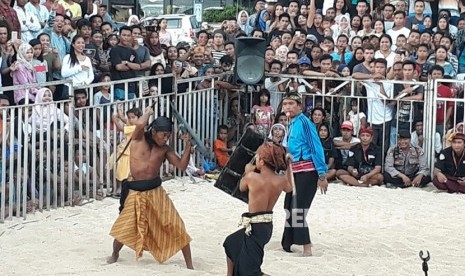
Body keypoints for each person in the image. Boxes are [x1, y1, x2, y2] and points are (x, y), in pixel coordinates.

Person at [107, 107, 194, 269]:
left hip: (156, 192)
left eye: (169, 135)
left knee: (175, 224)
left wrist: (188, 145)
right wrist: (147, 112)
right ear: (153, 131)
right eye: (163, 134)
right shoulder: (138, 138)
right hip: (135, 191)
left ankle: (190, 266)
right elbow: (140, 124)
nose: (166, 138)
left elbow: (181, 166)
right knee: (124, 227)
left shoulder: (165, 149)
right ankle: (115, 254)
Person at [223, 142, 293, 276]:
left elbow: (242, 187)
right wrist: (289, 167)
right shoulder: (281, 180)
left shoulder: (251, 177)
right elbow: (290, 188)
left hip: (254, 227)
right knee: (231, 242)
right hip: (266, 226)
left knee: (251, 271)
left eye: (257, 158)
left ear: (261, 161)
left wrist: (247, 170)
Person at [280, 92, 328, 257]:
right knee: (288, 206)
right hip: (294, 171)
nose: (288, 107)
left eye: (292, 104)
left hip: (307, 171)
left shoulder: (305, 123)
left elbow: (316, 148)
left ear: (299, 106)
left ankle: (306, 246)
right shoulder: (291, 123)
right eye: (285, 104)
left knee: (298, 209)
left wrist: (322, 175)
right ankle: (288, 242)